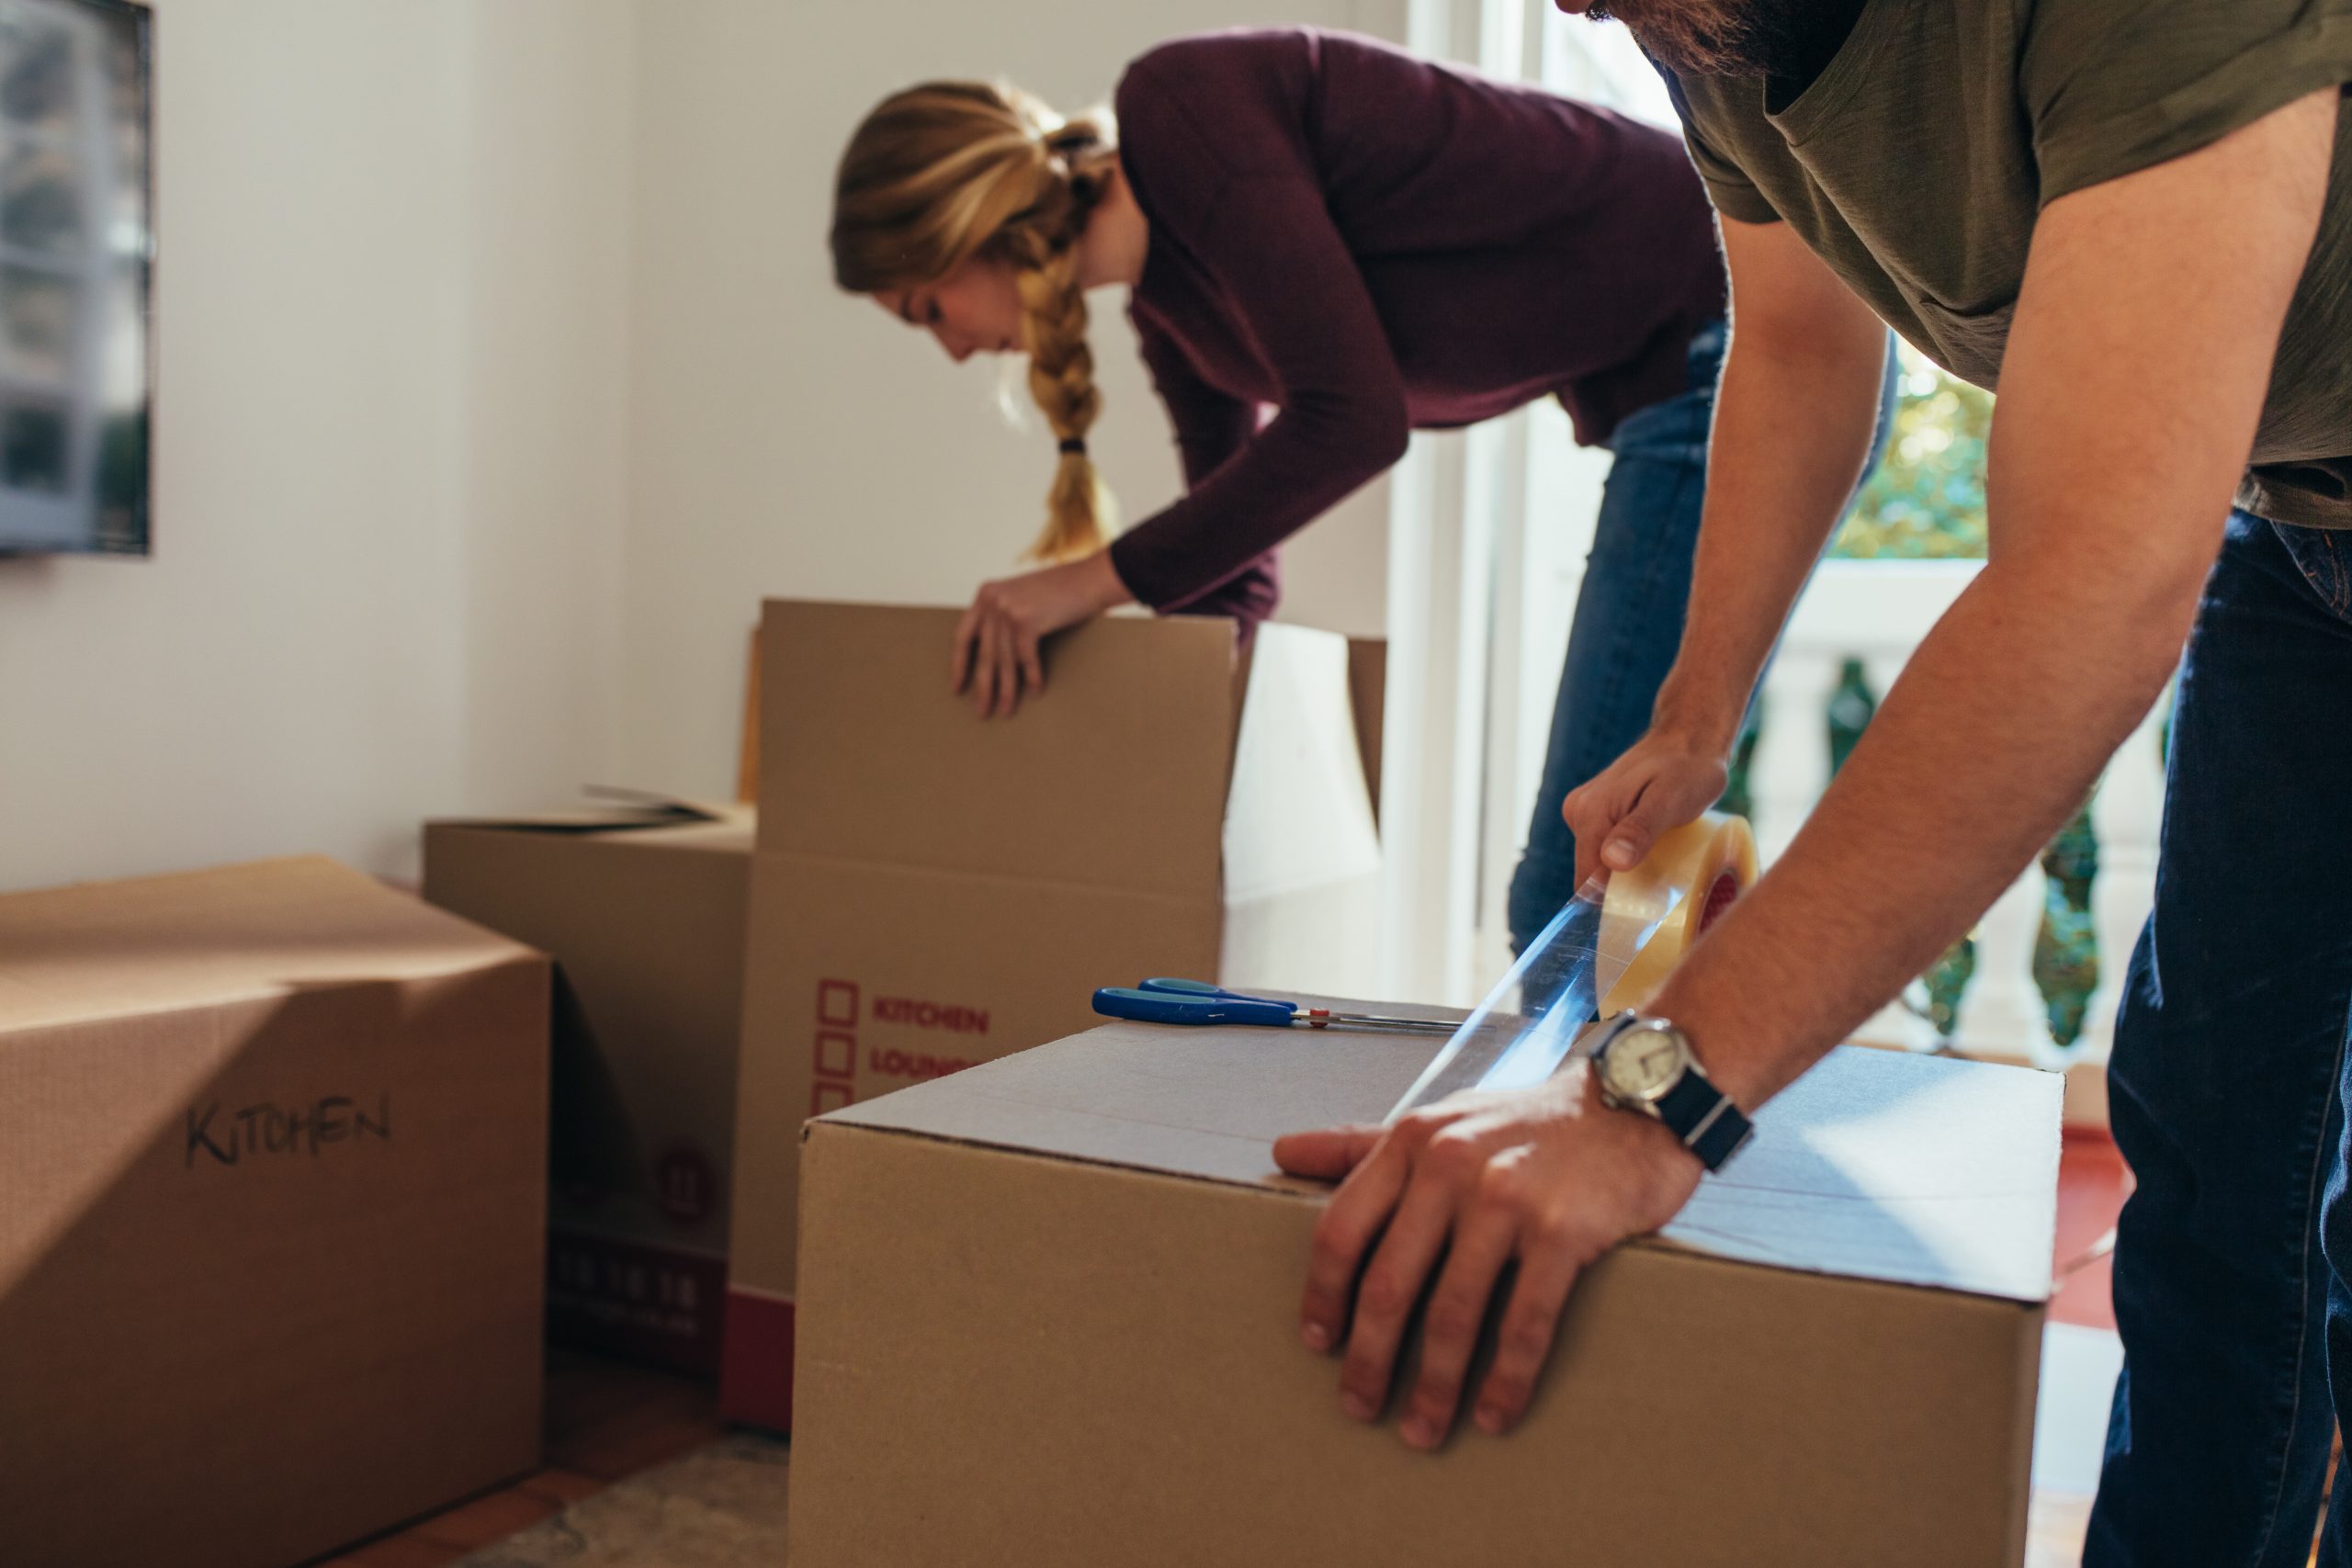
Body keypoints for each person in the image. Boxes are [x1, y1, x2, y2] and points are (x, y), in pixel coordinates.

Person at [1268, 2, 2352, 1562]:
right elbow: (1792, 339)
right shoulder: (1698, 20)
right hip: (2302, 515)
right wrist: (1693, 717)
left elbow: (2093, 578)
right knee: (2214, 1199)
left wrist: (1651, 1106)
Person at [829, 27, 1893, 953]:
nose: (954, 349)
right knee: (1586, 899)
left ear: (967, 224)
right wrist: (1139, 794)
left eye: (927, 309)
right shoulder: (1174, 319)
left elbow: (1352, 419)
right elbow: (1234, 584)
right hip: (1681, 382)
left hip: (1756, 350)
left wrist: (1085, 583)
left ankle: (1622, 1163)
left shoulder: (1183, 112)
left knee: (1569, 901)